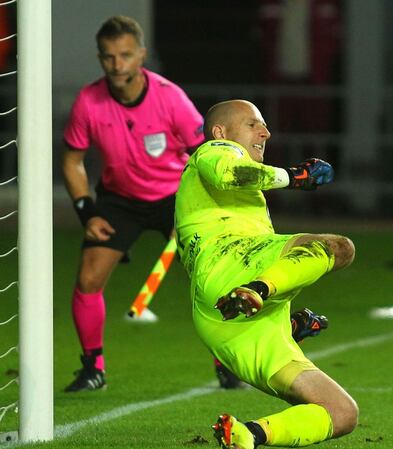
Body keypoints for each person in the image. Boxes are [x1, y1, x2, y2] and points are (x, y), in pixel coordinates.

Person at [60, 16, 329, 393]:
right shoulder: (89, 102)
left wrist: (189, 213)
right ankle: (93, 368)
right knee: (89, 277)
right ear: (100, 59)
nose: (117, 65)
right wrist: (87, 211)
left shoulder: (169, 98)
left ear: (141, 55)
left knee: (217, 278)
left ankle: (230, 362)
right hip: (119, 199)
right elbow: (72, 161)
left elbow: (209, 153)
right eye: (108, 57)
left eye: (124, 55)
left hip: (175, 194)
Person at [174, 100, 358, 448]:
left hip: (226, 324)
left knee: (341, 412)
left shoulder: (232, 184)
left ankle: (248, 435)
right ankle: (260, 289)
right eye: (253, 124)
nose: (265, 132)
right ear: (221, 132)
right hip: (232, 260)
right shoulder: (213, 151)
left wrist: (287, 328)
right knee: (339, 248)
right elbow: (229, 173)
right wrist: (294, 176)